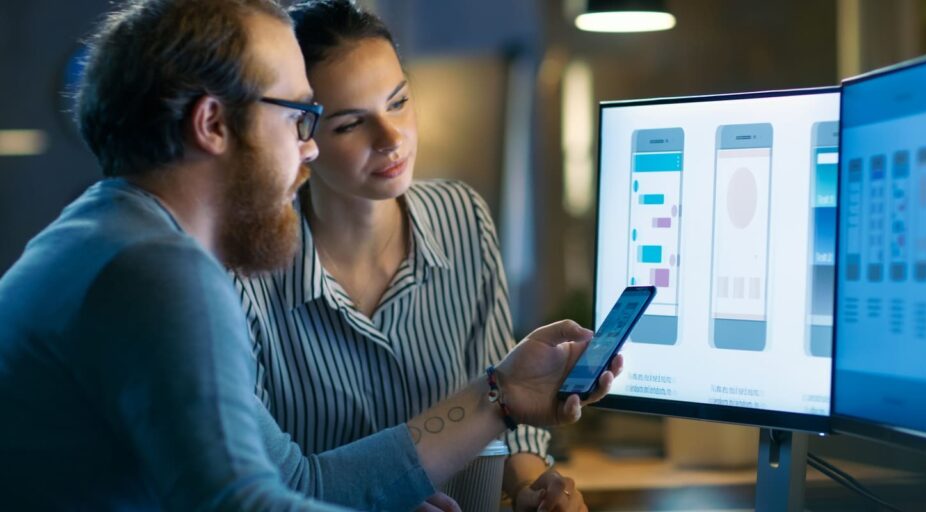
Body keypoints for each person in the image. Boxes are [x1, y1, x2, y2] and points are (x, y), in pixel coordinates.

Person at [0, 1, 620, 510]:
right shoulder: (158, 271)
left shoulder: (97, 238)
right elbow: (248, 506)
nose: (309, 149)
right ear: (213, 124)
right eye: (301, 117)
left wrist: (504, 392)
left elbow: (293, 485)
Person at [234, 1, 582, 509]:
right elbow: (256, 481)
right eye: (352, 124)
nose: (392, 139)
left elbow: (507, 408)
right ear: (302, 134)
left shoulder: (463, 217)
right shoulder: (248, 270)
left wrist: (533, 487)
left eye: (398, 102)